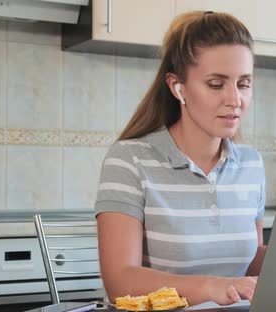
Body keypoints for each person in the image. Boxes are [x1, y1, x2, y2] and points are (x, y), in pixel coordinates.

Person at [94, 11, 266, 307]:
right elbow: (120, 282)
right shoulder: (130, 159)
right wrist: (214, 287)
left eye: (243, 84)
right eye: (216, 84)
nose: (235, 99)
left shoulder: (251, 163)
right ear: (178, 87)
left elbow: (247, 270)